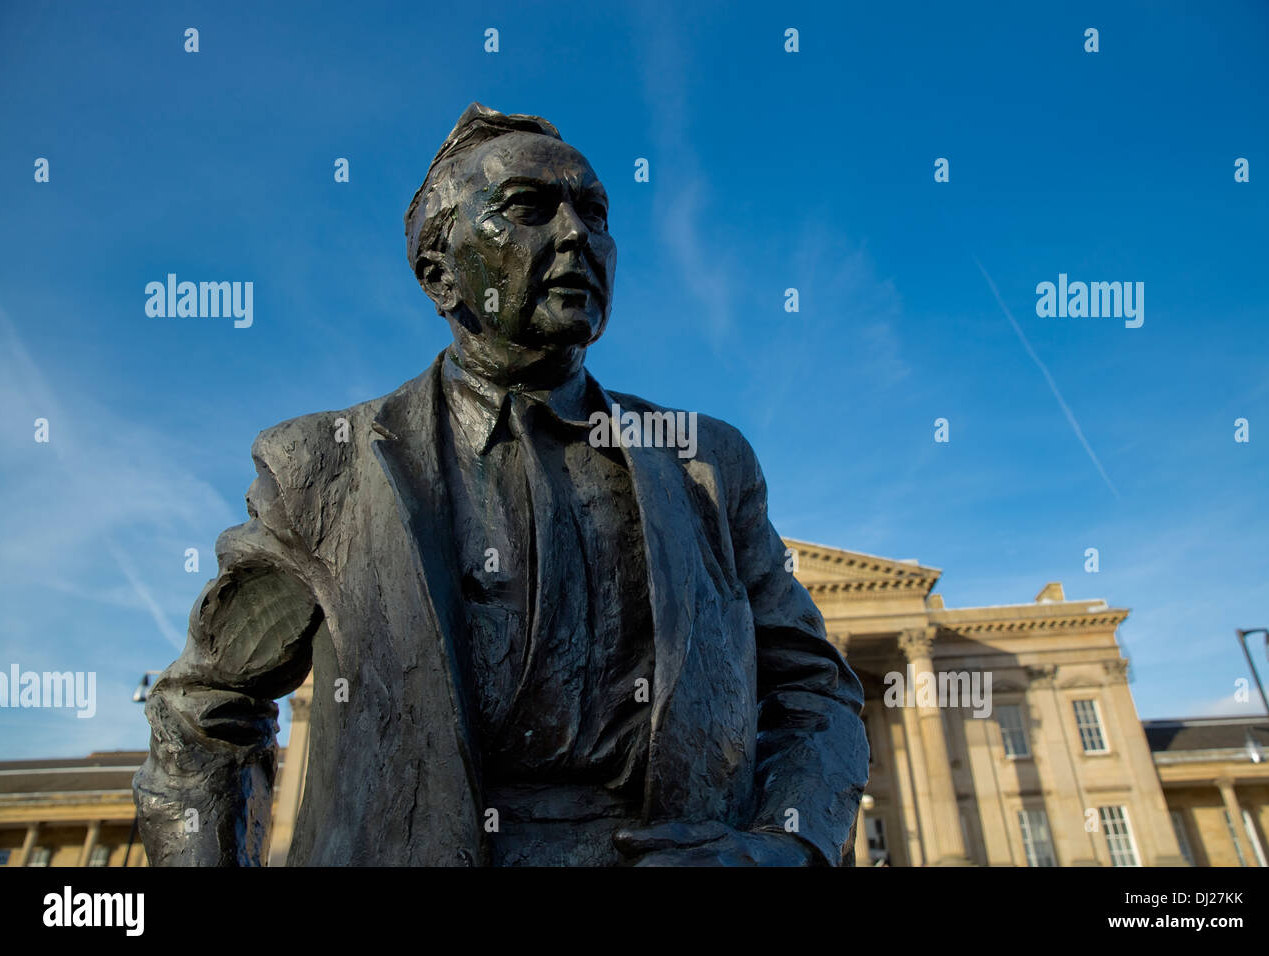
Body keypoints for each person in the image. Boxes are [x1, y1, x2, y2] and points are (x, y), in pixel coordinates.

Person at [134, 103, 869, 866]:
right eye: (529, 208)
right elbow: (203, 712)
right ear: (439, 272)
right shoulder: (325, 466)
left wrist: (785, 846)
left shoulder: (706, 464)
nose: (577, 235)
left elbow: (813, 690)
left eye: (594, 212)